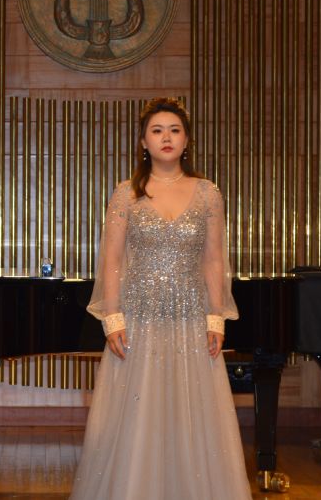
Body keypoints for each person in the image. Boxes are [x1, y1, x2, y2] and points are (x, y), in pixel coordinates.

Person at [69, 98, 252, 499]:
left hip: (191, 319)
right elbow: (112, 259)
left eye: (174, 130)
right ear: (143, 141)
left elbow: (214, 259)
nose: (166, 137)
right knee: (140, 410)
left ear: (186, 140)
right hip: (139, 319)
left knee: (191, 412)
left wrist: (216, 317)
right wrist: (112, 318)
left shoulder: (208, 193)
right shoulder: (126, 194)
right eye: (157, 130)